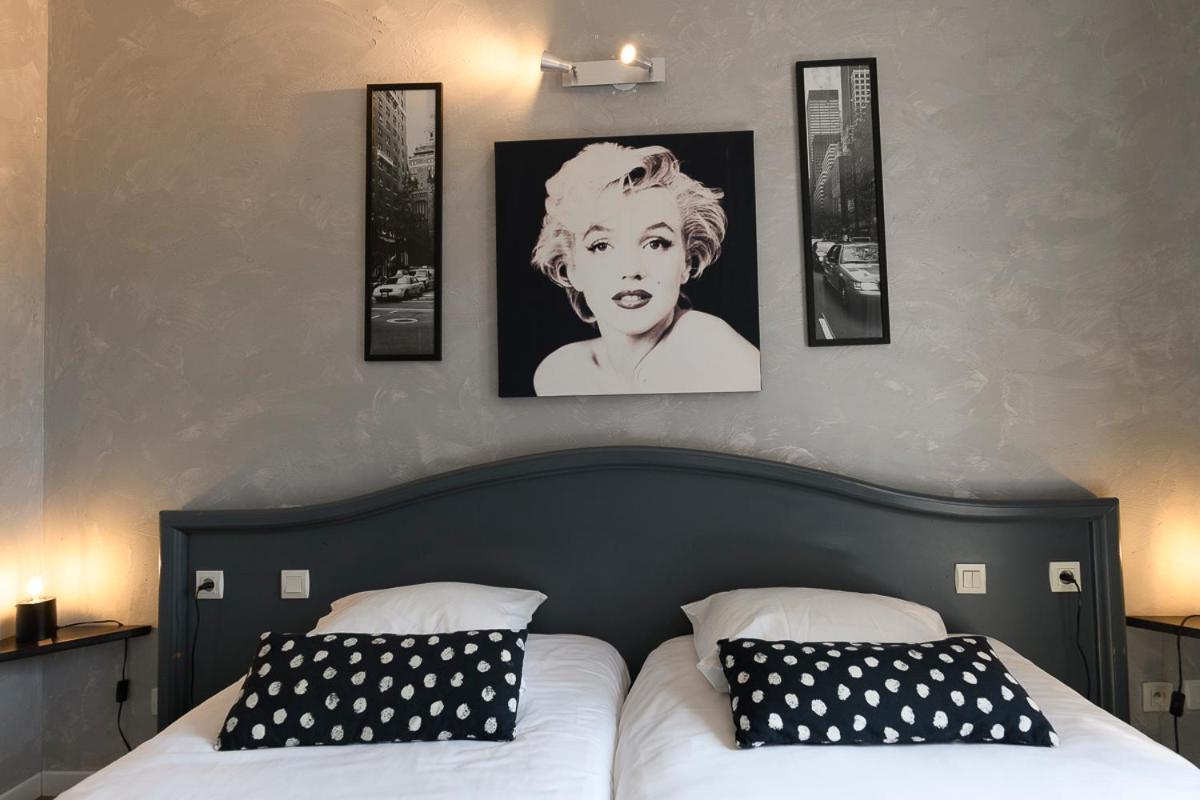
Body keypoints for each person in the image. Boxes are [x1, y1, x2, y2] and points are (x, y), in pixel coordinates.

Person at [529, 143, 760, 396]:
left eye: (655, 243)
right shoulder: (562, 372)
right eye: (601, 245)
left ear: (688, 262)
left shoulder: (710, 348)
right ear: (570, 270)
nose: (631, 269)